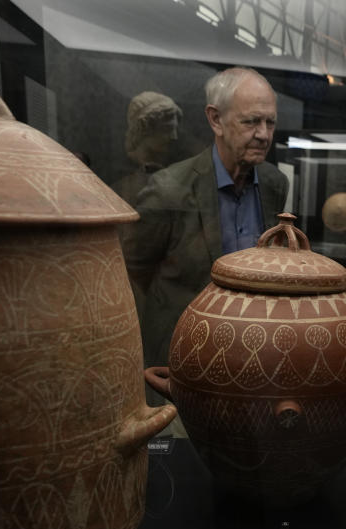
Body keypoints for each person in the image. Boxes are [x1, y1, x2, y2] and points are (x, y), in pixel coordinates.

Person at [121, 67, 289, 382]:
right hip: (182, 364)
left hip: (252, 359)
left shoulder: (274, 184)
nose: (264, 134)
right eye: (251, 121)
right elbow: (132, 278)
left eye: (270, 122)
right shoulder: (168, 190)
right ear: (215, 120)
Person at [111, 91, 183, 207]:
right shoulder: (121, 186)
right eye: (167, 129)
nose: (174, 137)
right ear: (145, 129)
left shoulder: (172, 178)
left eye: (175, 130)